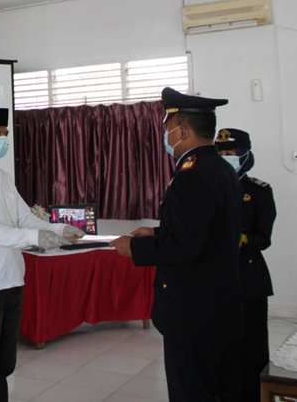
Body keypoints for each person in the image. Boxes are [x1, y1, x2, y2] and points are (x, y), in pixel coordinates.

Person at [110, 88, 243, 402]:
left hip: (193, 312)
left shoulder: (191, 174)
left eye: (168, 128)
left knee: (191, 390)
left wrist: (135, 248)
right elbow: (205, 230)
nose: (166, 135)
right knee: (216, 387)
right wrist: (156, 234)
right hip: (219, 304)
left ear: (182, 131)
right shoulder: (222, 169)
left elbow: (185, 248)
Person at [0, 107, 85, 402]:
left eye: (4, 134)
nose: (2, 140)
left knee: (3, 367)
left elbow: (24, 218)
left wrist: (60, 230)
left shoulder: (3, 177)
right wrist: (35, 238)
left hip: (12, 282)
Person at [216, 128, 277, 402]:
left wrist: (234, 237)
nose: (225, 158)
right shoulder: (209, 187)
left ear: (245, 156)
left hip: (248, 277)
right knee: (220, 345)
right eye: (220, 153)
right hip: (215, 278)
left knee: (250, 346)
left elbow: (262, 239)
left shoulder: (259, 190)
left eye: (230, 153)